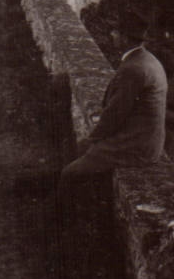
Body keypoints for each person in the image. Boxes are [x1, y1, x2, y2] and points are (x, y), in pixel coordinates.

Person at [59, 28, 168, 190]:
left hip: (134, 145)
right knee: (77, 152)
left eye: (116, 32)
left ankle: (66, 213)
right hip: (146, 140)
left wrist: (93, 139)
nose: (112, 35)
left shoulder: (133, 68)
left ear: (124, 38)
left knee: (70, 173)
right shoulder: (146, 59)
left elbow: (114, 114)